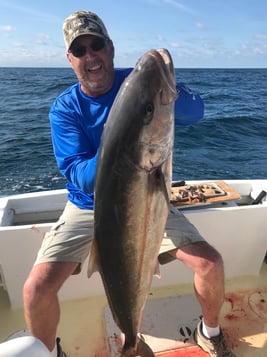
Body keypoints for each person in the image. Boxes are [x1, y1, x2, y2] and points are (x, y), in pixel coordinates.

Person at [23, 10, 235, 357]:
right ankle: (47, 351)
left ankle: (208, 332)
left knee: (210, 263)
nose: (91, 56)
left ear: (110, 47)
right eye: (81, 51)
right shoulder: (65, 109)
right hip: (86, 207)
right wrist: (120, 137)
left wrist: (165, 92)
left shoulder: (136, 86)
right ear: (70, 59)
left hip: (146, 199)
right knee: (35, 289)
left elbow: (195, 111)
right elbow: (80, 175)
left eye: (97, 45)